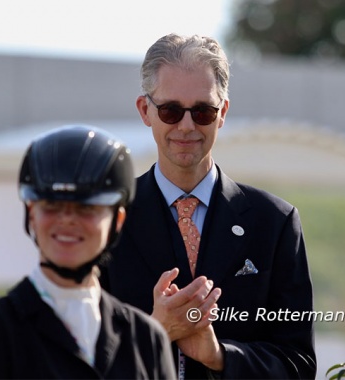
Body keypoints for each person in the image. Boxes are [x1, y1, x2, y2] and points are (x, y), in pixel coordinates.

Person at [100, 33, 317, 379]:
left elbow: (298, 365)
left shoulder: (274, 222)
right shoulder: (106, 220)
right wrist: (156, 332)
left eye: (202, 111)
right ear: (145, 110)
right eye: (171, 110)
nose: (186, 126)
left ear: (222, 113)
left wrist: (219, 355)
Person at [0, 125, 176, 379]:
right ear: (31, 214)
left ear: (118, 220)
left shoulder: (146, 338)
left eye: (87, 208)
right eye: (51, 205)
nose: (67, 220)